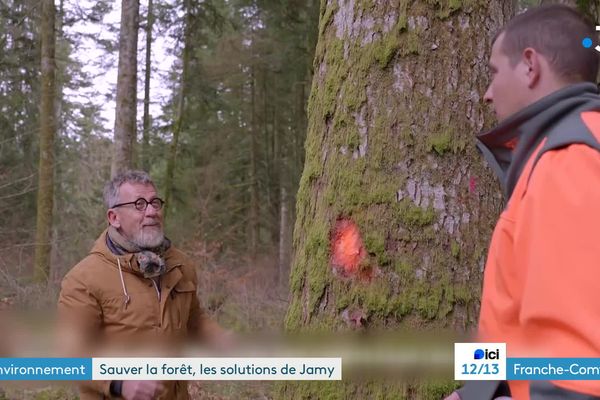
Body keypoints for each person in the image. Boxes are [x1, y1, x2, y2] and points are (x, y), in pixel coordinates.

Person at [447, 5, 600, 400]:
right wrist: (475, 393)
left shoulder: (571, 159)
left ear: (530, 65)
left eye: (495, 72)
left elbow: (579, 373)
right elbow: (515, 312)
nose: (487, 92)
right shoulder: (550, 157)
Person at [58, 170, 226, 400]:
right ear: (114, 217)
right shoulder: (83, 279)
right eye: (139, 204)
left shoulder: (180, 265)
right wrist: (118, 382)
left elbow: (194, 319)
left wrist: (219, 337)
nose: (152, 211)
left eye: (155, 203)